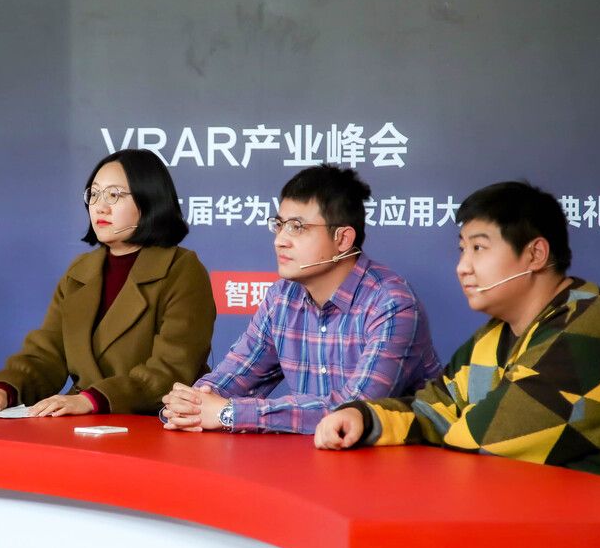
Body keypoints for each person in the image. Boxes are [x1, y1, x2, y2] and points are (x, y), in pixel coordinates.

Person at [315, 181, 600, 503]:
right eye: (462, 249)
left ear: (535, 254)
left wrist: (437, 424)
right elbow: (436, 407)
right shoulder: (495, 335)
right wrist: (365, 417)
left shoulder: (596, 325)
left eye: (479, 248)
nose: (462, 267)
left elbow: (486, 438)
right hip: (588, 520)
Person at [161, 164, 442, 434]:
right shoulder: (282, 298)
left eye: (297, 227)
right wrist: (190, 404)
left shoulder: (391, 303)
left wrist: (230, 413)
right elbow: (233, 376)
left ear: (343, 239)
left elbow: (355, 410)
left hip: (402, 459)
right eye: (279, 225)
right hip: (314, 459)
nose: (280, 240)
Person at [0, 148, 215, 417]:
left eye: (114, 195)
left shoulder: (181, 269)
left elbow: (170, 370)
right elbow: (47, 354)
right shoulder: (81, 271)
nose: (100, 206)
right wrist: (4, 390)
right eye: (94, 194)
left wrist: (93, 399)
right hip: (82, 421)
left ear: (149, 199)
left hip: (153, 422)